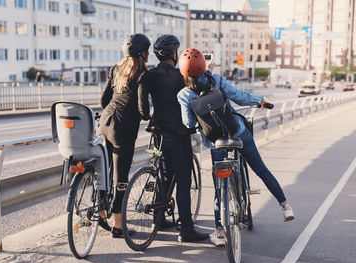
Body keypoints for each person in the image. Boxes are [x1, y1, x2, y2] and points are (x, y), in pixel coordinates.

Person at [176, 48, 295, 246]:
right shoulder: (217, 80)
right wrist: (260, 101)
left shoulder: (184, 94)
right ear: (204, 66)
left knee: (218, 187)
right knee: (261, 170)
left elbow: (188, 123)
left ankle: (220, 233)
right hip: (238, 134)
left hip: (216, 143)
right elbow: (239, 97)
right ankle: (285, 206)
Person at [139, 35, 209, 242]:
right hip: (178, 135)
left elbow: (143, 108)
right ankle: (186, 229)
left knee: (164, 176)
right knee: (183, 183)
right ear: (174, 53)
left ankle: (158, 219)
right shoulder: (182, 75)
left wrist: (151, 116)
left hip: (158, 134)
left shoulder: (149, 76)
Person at [97, 33, 151, 238]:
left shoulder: (116, 69)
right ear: (143, 53)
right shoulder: (142, 74)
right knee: (121, 177)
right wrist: (146, 116)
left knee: (105, 171)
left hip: (105, 122)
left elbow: (104, 100)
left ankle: (102, 213)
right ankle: (119, 226)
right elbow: (143, 107)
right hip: (122, 128)